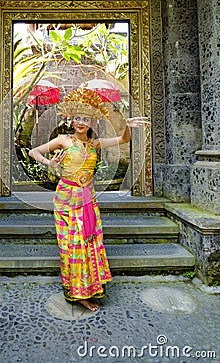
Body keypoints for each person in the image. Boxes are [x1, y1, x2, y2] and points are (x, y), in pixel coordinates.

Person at [29, 87, 149, 311]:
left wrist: (127, 126)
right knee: (73, 245)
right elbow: (33, 152)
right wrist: (51, 163)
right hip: (67, 199)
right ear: (70, 119)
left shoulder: (95, 144)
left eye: (86, 118)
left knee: (90, 243)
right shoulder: (63, 140)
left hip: (88, 199)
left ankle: (90, 288)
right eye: (77, 118)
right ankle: (77, 292)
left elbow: (123, 139)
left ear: (92, 120)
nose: (81, 122)